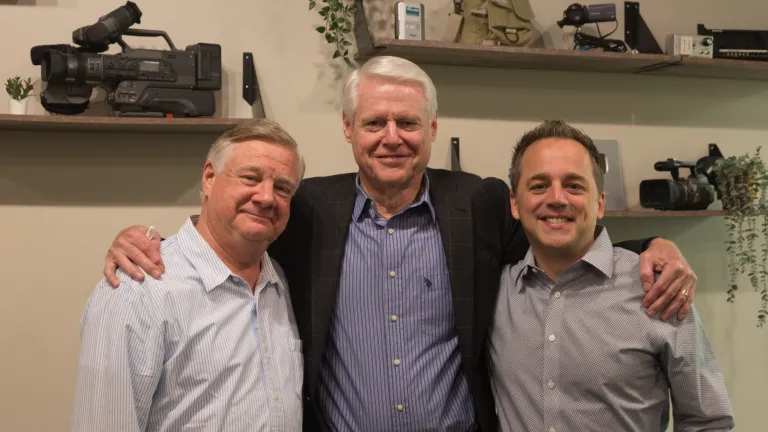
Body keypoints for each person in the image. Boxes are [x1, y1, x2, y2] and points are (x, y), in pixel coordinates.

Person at [101, 56, 698, 431]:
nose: (392, 137)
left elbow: (558, 234)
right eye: (374, 123)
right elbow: (238, 218)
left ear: (431, 129)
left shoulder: (480, 202)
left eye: (408, 123)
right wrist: (142, 239)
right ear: (348, 130)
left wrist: (654, 243)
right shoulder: (307, 207)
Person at [489, 120, 734, 432]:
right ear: (515, 203)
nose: (556, 198)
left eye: (574, 185)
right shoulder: (494, 292)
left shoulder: (659, 289)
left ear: (600, 203)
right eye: (538, 185)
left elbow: (708, 421)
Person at [71, 119, 305, 431]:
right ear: (209, 177)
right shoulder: (137, 290)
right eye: (250, 178)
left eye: (282, 188)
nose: (266, 197)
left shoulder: (281, 284)